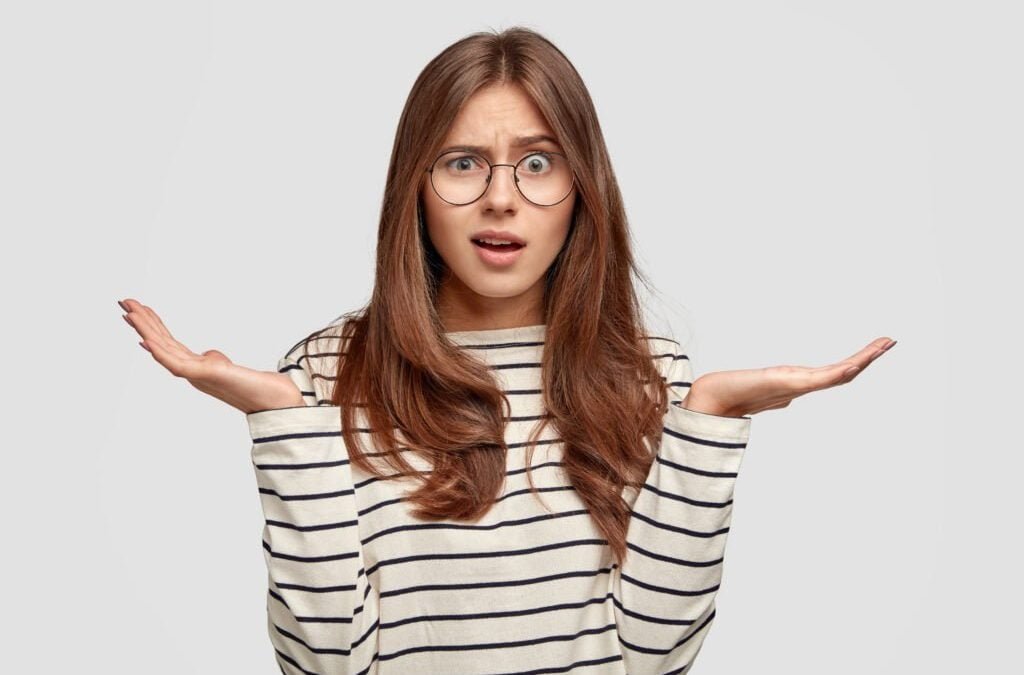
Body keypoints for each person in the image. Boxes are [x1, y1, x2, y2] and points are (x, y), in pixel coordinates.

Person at [117, 26, 895, 675]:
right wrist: (281, 418)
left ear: (582, 184)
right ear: (414, 187)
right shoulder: (327, 370)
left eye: (538, 162)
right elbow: (323, 662)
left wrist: (712, 419)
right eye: (462, 163)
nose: (500, 196)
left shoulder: (648, 374)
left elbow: (657, 658)